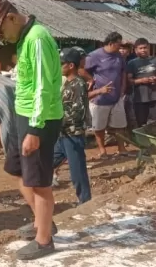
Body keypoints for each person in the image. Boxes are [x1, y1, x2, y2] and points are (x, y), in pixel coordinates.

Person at [0, 0, 63, 261]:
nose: (2, 36)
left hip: (39, 119)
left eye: (2, 30)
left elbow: (43, 87)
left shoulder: (37, 38)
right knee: (16, 169)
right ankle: (43, 221)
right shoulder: (25, 39)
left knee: (38, 182)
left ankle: (44, 240)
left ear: (12, 18)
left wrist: (35, 131)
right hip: (24, 114)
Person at [52, 48, 99, 205]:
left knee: (77, 170)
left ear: (70, 65)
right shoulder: (68, 83)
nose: (59, 67)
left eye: (61, 64)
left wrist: (57, 122)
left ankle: (85, 202)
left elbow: (77, 112)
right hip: (63, 134)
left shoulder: (78, 84)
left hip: (73, 134)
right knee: (47, 162)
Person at [83, 32, 129, 158]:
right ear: (111, 43)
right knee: (99, 127)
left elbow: (123, 72)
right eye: (118, 45)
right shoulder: (95, 55)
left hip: (116, 97)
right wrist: (90, 80)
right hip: (100, 98)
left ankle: (122, 148)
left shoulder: (119, 56)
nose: (120, 47)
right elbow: (81, 69)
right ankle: (102, 150)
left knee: (120, 125)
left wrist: (123, 88)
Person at [128, 38, 156, 127]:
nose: (143, 50)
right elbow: (129, 81)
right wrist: (141, 80)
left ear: (149, 48)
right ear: (136, 50)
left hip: (155, 97)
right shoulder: (132, 63)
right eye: (140, 48)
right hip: (139, 99)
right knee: (141, 124)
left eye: (145, 48)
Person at [118, 43, 138, 131]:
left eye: (124, 49)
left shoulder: (131, 61)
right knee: (119, 114)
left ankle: (132, 132)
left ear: (129, 51)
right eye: (120, 48)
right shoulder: (114, 61)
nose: (122, 50)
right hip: (117, 92)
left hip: (130, 91)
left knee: (130, 113)